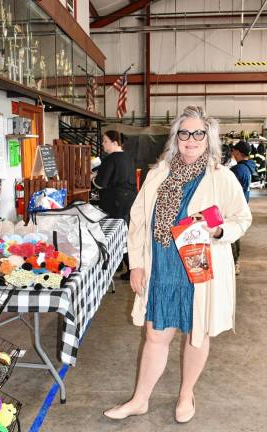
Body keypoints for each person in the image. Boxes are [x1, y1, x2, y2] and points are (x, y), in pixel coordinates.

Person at [103, 106, 252, 423]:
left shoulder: (221, 177)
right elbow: (140, 221)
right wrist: (138, 265)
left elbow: (242, 218)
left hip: (200, 271)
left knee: (198, 334)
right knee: (156, 336)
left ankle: (186, 395)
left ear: (208, 138)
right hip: (162, 269)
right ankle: (140, 399)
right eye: (184, 133)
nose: (191, 139)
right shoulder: (159, 173)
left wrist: (220, 230)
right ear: (176, 138)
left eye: (199, 133)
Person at [92, 130, 137, 279]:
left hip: (115, 201)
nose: (103, 144)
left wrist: (92, 178)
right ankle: (121, 265)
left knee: (118, 235)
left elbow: (100, 184)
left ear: (115, 143)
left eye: (105, 141)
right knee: (125, 233)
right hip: (129, 199)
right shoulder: (127, 157)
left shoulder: (111, 159)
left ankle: (129, 268)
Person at [230, 140, 256, 275]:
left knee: (232, 237)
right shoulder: (247, 167)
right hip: (242, 205)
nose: (232, 152)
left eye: (233, 150)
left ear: (238, 153)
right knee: (236, 235)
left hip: (233, 208)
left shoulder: (238, 169)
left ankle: (234, 264)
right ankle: (235, 263)